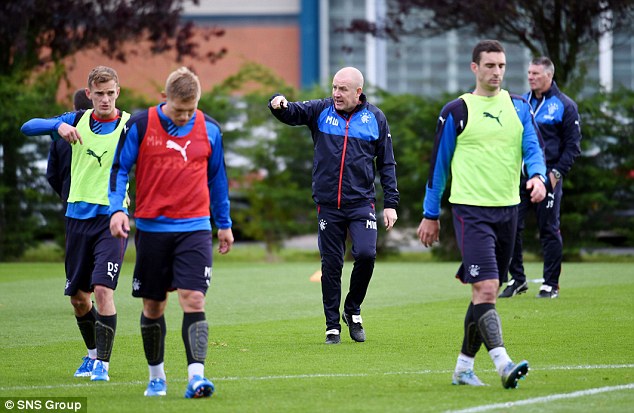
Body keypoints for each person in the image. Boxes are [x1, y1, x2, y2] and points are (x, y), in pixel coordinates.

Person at [416, 40, 547, 388]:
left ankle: (462, 368)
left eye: (502, 66)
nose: (497, 72)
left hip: (509, 211)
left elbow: (532, 148)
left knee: (482, 294)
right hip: (470, 212)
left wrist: (537, 175)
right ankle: (503, 363)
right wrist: (431, 214)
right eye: (490, 65)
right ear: (475, 68)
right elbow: (438, 167)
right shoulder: (457, 110)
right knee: (487, 289)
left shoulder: (519, 107)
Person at [109, 67, 234, 398]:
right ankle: (156, 377)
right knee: (154, 306)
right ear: (165, 99)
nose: (185, 116)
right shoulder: (139, 125)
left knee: (193, 298)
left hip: (194, 228)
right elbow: (119, 170)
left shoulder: (210, 129)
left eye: (191, 110)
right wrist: (117, 209)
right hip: (152, 229)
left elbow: (218, 180)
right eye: (179, 110)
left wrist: (224, 223)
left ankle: (196, 377)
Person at [268, 66, 399, 345]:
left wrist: (391, 203)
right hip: (328, 204)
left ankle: (352, 310)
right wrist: (277, 103)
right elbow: (291, 112)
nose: (336, 94)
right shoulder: (320, 111)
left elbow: (387, 163)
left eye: (342, 89)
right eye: (334, 87)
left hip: (361, 202)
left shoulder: (376, 118)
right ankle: (332, 326)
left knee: (366, 254)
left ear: (358, 92)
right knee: (331, 264)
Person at [21, 66, 131, 382]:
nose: (106, 99)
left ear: (117, 92)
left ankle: (103, 366)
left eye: (111, 93)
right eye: (99, 94)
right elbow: (27, 127)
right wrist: (57, 128)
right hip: (76, 220)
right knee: (79, 299)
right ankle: (92, 355)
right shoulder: (76, 120)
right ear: (89, 95)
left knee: (102, 290)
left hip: (111, 220)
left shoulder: (128, 126)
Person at [499, 57, 582, 299]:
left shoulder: (565, 105)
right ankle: (518, 280)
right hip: (520, 179)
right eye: (529, 73)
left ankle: (550, 284)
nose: (531, 77)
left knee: (548, 229)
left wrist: (555, 175)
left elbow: (573, 147)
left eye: (536, 73)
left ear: (549, 75)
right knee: (511, 228)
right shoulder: (521, 103)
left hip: (548, 179)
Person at [46, 89, 94, 211]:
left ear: (74, 107)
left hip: (70, 196)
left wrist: (64, 192)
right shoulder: (100, 131)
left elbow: (51, 174)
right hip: (97, 197)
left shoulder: (60, 135)